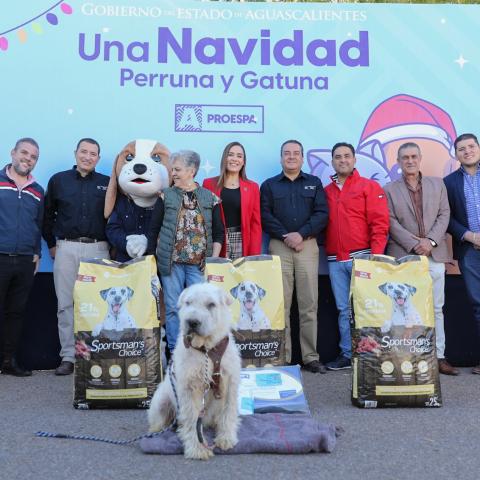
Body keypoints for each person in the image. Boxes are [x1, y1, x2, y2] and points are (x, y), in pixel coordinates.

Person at [384, 142, 458, 375]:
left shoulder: (438, 185)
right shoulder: (388, 189)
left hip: (434, 256)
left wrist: (431, 242)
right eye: (405, 157)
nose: (410, 161)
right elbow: (390, 220)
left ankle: (438, 356)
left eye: (414, 156)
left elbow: (445, 214)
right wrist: (414, 243)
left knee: (436, 308)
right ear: (398, 161)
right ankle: (409, 356)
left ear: (420, 158)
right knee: (406, 310)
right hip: (404, 257)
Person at [43, 138, 110, 375]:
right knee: (65, 305)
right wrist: (52, 245)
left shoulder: (107, 183)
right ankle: (69, 357)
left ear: (98, 159)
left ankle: (95, 353)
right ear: (76, 153)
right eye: (84, 152)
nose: (88, 157)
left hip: (98, 250)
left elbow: (114, 217)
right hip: (67, 248)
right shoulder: (58, 181)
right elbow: (47, 215)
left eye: (93, 154)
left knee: (99, 305)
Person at [261, 140, 328, 373]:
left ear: (302, 158)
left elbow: (322, 214)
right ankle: (283, 356)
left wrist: (301, 234)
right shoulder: (269, 185)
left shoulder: (314, 183)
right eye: (287, 153)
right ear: (281, 158)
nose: (291, 157)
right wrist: (286, 235)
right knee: (282, 304)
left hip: (307, 247)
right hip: (280, 246)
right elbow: (265, 215)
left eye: (296, 153)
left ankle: (310, 357)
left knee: (309, 304)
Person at [146, 150, 224, 352]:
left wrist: (213, 260)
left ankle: (197, 349)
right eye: (173, 169)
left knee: (199, 309)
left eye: (178, 169)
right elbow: (154, 229)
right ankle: (174, 351)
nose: (173, 173)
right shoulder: (166, 195)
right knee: (173, 307)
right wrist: (150, 259)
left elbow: (218, 232)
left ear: (192, 170)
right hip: (170, 263)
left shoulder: (209, 197)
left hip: (199, 264)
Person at [324, 142, 389, 370]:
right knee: (344, 309)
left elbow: (380, 224)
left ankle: (372, 353)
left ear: (354, 160)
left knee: (367, 307)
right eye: (338, 157)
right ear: (332, 161)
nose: (343, 160)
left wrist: (376, 256)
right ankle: (347, 354)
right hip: (334, 261)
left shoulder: (368, 187)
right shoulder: (327, 192)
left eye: (347, 156)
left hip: (362, 258)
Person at [0, 138, 43, 376]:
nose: (28, 158)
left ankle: (9, 361)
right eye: (24, 153)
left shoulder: (38, 190)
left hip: (25, 260)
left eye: (33, 156)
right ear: (12, 152)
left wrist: (36, 253)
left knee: (16, 312)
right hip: (0, 257)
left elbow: (37, 224)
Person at [444, 133, 480, 375]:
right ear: (455, 154)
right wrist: (470, 236)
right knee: (479, 305)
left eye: (471, 146)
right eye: (461, 149)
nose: (467, 151)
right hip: (469, 251)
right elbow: (447, 218)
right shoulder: (448, 183)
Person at [202, 142, 262, 260]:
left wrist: (254, 255)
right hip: (217, 242)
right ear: (225, 158)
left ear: (243, 162)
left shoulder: (253, 187)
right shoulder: (209, 184)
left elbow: (255, 224)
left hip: (242, 241)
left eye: (239, 156)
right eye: (231, 155)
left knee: (241, 278)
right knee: (219, 277)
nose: (235, 159)